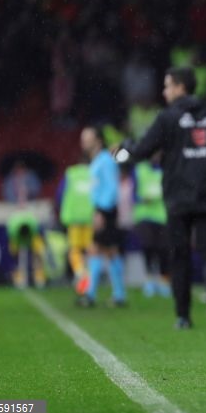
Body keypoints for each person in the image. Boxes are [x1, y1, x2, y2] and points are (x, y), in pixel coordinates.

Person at [116, 67, 206, 329]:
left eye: (167, 86)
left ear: (179, 87)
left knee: (180, 255)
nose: (164, 92)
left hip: (178, 196)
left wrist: (123, 149)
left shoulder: (168, 118)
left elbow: (142, 150)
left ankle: (183, 316)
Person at [77, 126, 125, 307]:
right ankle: (118, 295)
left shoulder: (105, 160)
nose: (83, 142)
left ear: (98, 140)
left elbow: (112, 188)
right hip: (103, 210)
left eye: (87, 138)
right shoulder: (98, 160)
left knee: (96, 250)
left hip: (105, 211)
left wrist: (101, 212)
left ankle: (91, 295)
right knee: (109, 251)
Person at [132, 158, 171, 298]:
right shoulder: (139, 169)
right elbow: (133, 193)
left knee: (163, 249)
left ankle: (164, 280)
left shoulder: (167, 168)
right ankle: (149, 279)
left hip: (162, 215)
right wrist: (141, 199)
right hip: (145, 215)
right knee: (148, 247)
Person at [57, 161, 95, 295]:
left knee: (75, 249)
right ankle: (90, 276)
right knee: (90, 249)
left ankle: (80, 272)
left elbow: (60, 194)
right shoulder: (93, 172)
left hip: (74, 218)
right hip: (91, 217)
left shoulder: (71, 174)